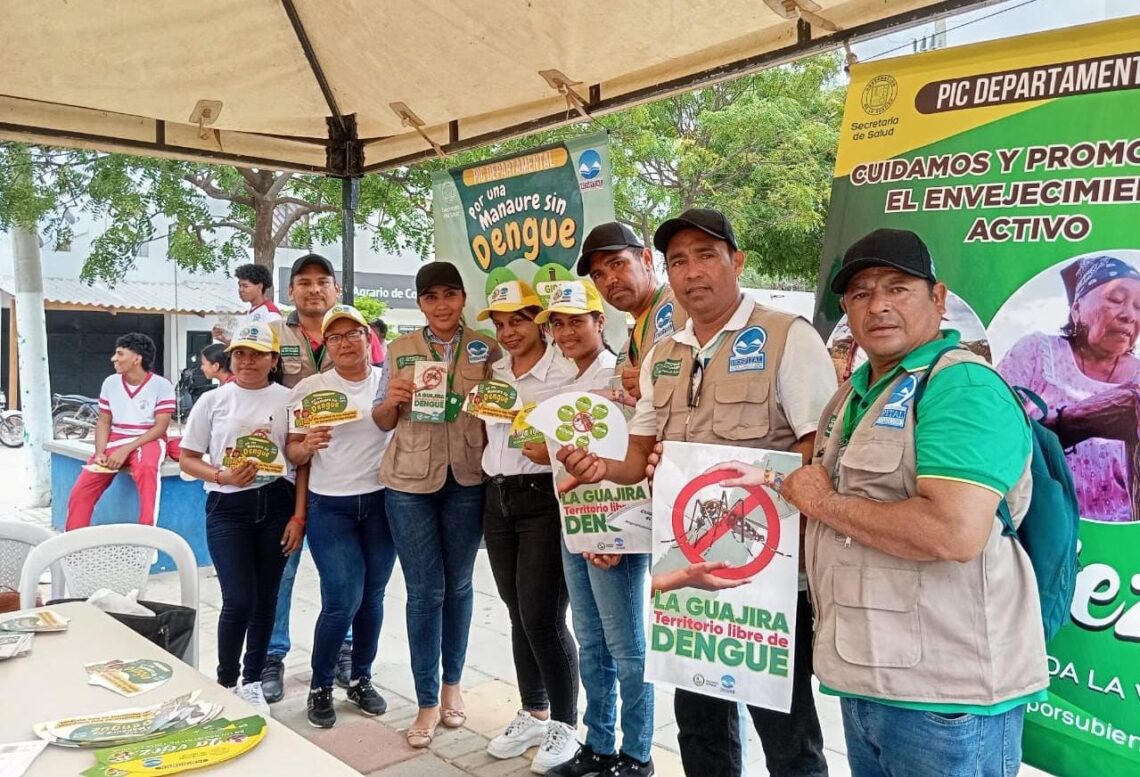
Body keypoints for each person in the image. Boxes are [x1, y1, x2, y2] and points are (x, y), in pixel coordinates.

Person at [560, 208, 836, 777]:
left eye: (706, 255)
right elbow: (638, 460)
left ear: (736, 261)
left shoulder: (788, 336)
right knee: (699, 726)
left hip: (770, 575)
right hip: (687, 568)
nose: (692, 272)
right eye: (678, 260)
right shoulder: (662, 354)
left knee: (787, 736)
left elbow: (821, 454)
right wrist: (595, 468)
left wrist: (753, 484)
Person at [773, 228, 1046, 776]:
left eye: (897, 288)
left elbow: (952, 531)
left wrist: (823, 503)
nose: (878, 306)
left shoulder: (961, 387)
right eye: (860, 293)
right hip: (868, 679)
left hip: (947, 701)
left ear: (937, 298)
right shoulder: (854, 393)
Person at [532, 278, 657, 777]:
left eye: (575, 321)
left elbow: (635, 460)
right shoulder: (564, 383)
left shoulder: (621, 379)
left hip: (615, 530)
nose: (565, 332)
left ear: (599, 322)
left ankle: (638, 755)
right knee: (590, 641)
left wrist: (613, 532)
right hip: (573, 526)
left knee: (627, 648)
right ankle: (599, 747)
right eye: (557, 324)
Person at [373, 261, 499, 748]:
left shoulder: (487, 346)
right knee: (425, 591)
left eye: (450, 294)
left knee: (461, 585)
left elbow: (502, 410)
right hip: (408, 482)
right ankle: (426, 700)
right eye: (431, 297)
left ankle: (453, 686)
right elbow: (382, 419)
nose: (442, 305)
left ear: (463, 298)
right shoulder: (401, 349)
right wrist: (394, 400)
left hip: (468, 477)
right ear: (420, 303)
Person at [476, 280, 581, 772]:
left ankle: (566, 724)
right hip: (495, 497)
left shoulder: (563, 373)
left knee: (542, 615)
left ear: (540, 320)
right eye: (499, 324)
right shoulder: (494, 373)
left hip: (543, 497)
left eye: (517, 320)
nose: (507, 331)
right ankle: (534, 711)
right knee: (517, 611)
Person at [178, 323, 304, 716]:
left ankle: (252, 683)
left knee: (266, 598)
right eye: (240, 354)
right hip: (227, 508)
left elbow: (300, 464)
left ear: (273, 359)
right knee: (238, 599)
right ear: (231, 358)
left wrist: (299, 517)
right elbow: (187, 457)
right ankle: (226, 681)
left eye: (257, 354)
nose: (248, 361)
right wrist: (222, 476)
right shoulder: (213, 401)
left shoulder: (289, 399)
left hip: (276, 506)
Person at [284, 305, 395, 728]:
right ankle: (320, 684)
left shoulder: (387, 382)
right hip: (330, 505)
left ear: (369, 339)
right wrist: (307, 443)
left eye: (353, 335)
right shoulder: (311, 388)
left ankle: (362, 678)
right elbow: (292, 452)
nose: (345, 343)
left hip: (383, 503)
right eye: (335, 337)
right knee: (342, 599)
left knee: (373, 598)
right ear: (325, 345)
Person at [260, 253, 349, 704]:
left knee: (343, 573)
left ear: (336, 290)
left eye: (323, 282)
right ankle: (272, 656)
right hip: (286, 472)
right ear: (290, 291)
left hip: (341, 474)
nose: (314, 290)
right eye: (304, 283)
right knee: (283, 569)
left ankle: (344, 652)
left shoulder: (353, 334)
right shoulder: (274, 335)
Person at [997, 254, 1140, 522]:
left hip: (1118, 535)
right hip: (1035, 526)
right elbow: (992, 433)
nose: (1129, 315)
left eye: (1139, 306)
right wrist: (1078, 421)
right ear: (1076, 310)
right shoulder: (1037, 352)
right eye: (1116, 300)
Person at [66, 333, 177, 531]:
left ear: (137, 358)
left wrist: (125, 450)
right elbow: (104, 421)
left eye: (120, 354)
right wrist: (100, 452)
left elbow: (160, 427)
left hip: (149, 438)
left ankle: (147, 539)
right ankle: (72, 543)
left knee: (146, 469)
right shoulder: (111, 382)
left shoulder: (162, 385)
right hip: (116, 439)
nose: (113, 358)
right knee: (81, 491)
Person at [578, 221, 686, 400]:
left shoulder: (684, 306)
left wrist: (652, 382)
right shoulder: (624, 353)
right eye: (598, 275)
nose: (609, 279)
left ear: (647, 260)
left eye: (617, 264)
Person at [213, 263, 283, 345]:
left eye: (245, 286)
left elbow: (274, 344)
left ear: (259, 287)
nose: (240, 290)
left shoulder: (270, 313)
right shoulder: (252, 311)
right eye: (239, 286)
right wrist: (227, 340)